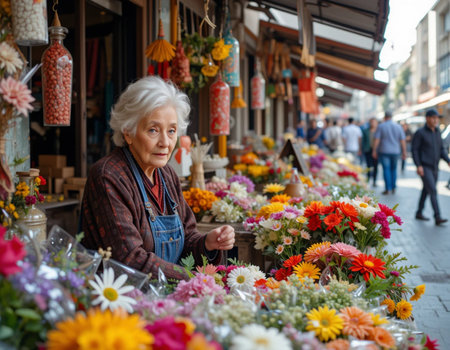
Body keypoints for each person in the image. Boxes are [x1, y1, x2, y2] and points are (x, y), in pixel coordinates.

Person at [80, 76, 235, 280]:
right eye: (153, 130)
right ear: (128, 132)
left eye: (171, 131)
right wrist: (192, 279)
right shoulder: (109, 177)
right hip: (120, 300)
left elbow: (188, 238)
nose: (165, 142)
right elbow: (129, 259)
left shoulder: (167, 174)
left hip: (164, 294)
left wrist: (208, 243)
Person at [412, 108, 450, 225]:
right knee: (432, 190)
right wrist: (418, 165)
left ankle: (419, 212)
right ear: (427, 118)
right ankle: (437, 216)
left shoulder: (437, 132)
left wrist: (448, 160)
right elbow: (415, 150)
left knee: (426, 190)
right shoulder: (420, 133)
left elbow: (442, 150)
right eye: (434, 118)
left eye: (437, 118)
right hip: (425, 166)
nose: (436, 120)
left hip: (435, 167)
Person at [372, 111, 406, 194]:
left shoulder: (381, 126)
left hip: (384, 151)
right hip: (395, 151)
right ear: (391, 116)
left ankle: (388, 188)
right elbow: (402, 140)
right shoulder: (398, 126)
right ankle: (393, 187)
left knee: (386, 169)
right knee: (394, 169)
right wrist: (404, 152)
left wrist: (374, 150)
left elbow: (377, 140)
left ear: (385, 117)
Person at [361, 117, 379, 186]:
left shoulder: (378, 131)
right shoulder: (365, 131)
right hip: (368, 150)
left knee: (375, 166)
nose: (373, 123)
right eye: (371, 122)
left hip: (376, 151)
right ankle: (368, 179)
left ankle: (374, 180)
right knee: (368, 165)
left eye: (374, 122)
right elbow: (363, 141)